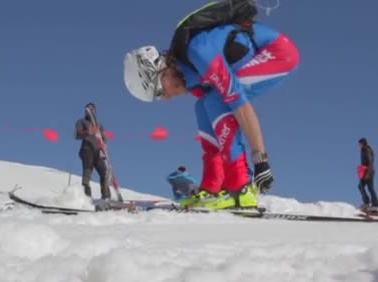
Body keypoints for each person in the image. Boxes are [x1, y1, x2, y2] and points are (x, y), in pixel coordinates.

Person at [122, 0, 300, 210]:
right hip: (251, 60)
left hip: (277, 52)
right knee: (203, 104)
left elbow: (241, 107)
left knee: (217, 100)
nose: (167, 98)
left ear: (162, 70)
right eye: (159, 98)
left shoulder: (200, 53)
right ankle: (212, 187)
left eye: (160, 91)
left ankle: (239, 188)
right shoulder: (191, 77)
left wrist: (260, 161)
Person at [74, 102, 111, 199]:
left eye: (93, 108)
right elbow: (76, 134)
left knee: (104, 172)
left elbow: (103, 138)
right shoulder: (81, 121)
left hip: (98, 151)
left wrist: (104, 146)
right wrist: (87, 132)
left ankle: (106, 196)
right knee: (88, 170)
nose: (91, 110)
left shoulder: (99, 125)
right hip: (87, 149)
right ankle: (86, 195)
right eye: (89, 108)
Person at [357, 137, 378, 212]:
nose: (359, 145)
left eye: (359, 144)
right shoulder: (364, 149)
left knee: (369, 187)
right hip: (366, 171)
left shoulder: (366, 150)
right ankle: (367, 202)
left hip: (368, 172)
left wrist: (367, 174)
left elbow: (370, 162)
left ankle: (375, 205)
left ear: (363, 143)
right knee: (361, 186)